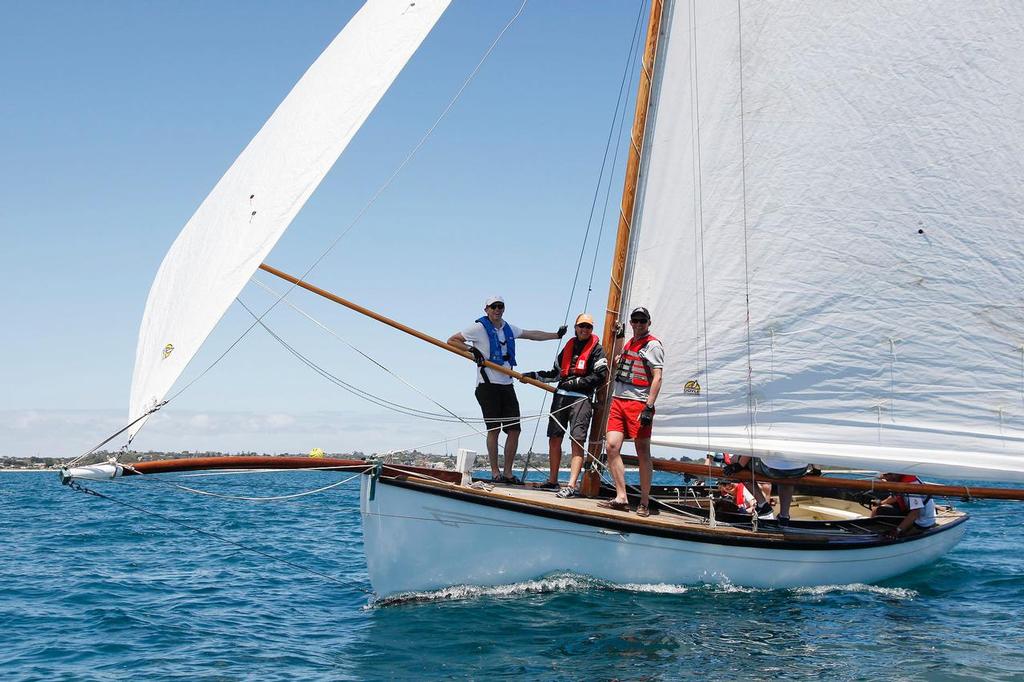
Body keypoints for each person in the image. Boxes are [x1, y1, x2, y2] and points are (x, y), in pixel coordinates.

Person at [448, 296, 566, 484]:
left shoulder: (508, 328)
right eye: (493, 306)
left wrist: (556, 335)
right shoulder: (478, 328)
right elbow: (452, 341)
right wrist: (472, 351)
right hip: (487, 386)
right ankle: (495, 473)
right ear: (486, 309)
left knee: (514, 430)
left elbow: (532, 335)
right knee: (493, 429)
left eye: (500, 306)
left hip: (507, 385)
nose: (497, 309)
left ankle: (508, 473)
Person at [520, 313, 608, 497]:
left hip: (581, 400)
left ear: (592, 330)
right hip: (560, 397)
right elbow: (555, 374)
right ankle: (552, 481)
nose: (584, 330)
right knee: (554, 439)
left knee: (577, 441)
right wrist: (534, 376)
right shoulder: (568, 347)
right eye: (581, 326)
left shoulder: (597, 350)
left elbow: (600, 375)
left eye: (588, 327)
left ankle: (571, 485)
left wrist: (577, 383)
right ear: (576, 327)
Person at [598, 306, 664, 518]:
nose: (637, 324)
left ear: (648, 323)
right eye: (634, 320)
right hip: (618, 401)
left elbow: (658, 376)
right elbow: (619, 361)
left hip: (638, 403)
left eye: (642, 321)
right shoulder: (630, 343)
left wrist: (649, 405)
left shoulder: (653, 345)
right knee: (611, 446)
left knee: (642, 451)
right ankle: (621, 497)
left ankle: (644, 502)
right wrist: (619, 336)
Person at [723, 454, 813, 522]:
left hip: (772, 469)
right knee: (788, 475)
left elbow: (752, 445)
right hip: (800, 469)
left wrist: (739, 465)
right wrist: (816, 469)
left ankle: (762, 505)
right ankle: (784, 517)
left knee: (735, 459)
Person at [870, 473, 937, 538]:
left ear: (894, 475)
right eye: (884, 476)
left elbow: (915, 514)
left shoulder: (911, 486)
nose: (885, 478)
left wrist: (898, 530)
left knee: (897, 534)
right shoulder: (901, 481)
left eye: (886, 476)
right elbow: (895, 497)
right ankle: (871, 526)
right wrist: (880, 503)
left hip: (922, 521)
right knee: (877, 509)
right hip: (911, 513)